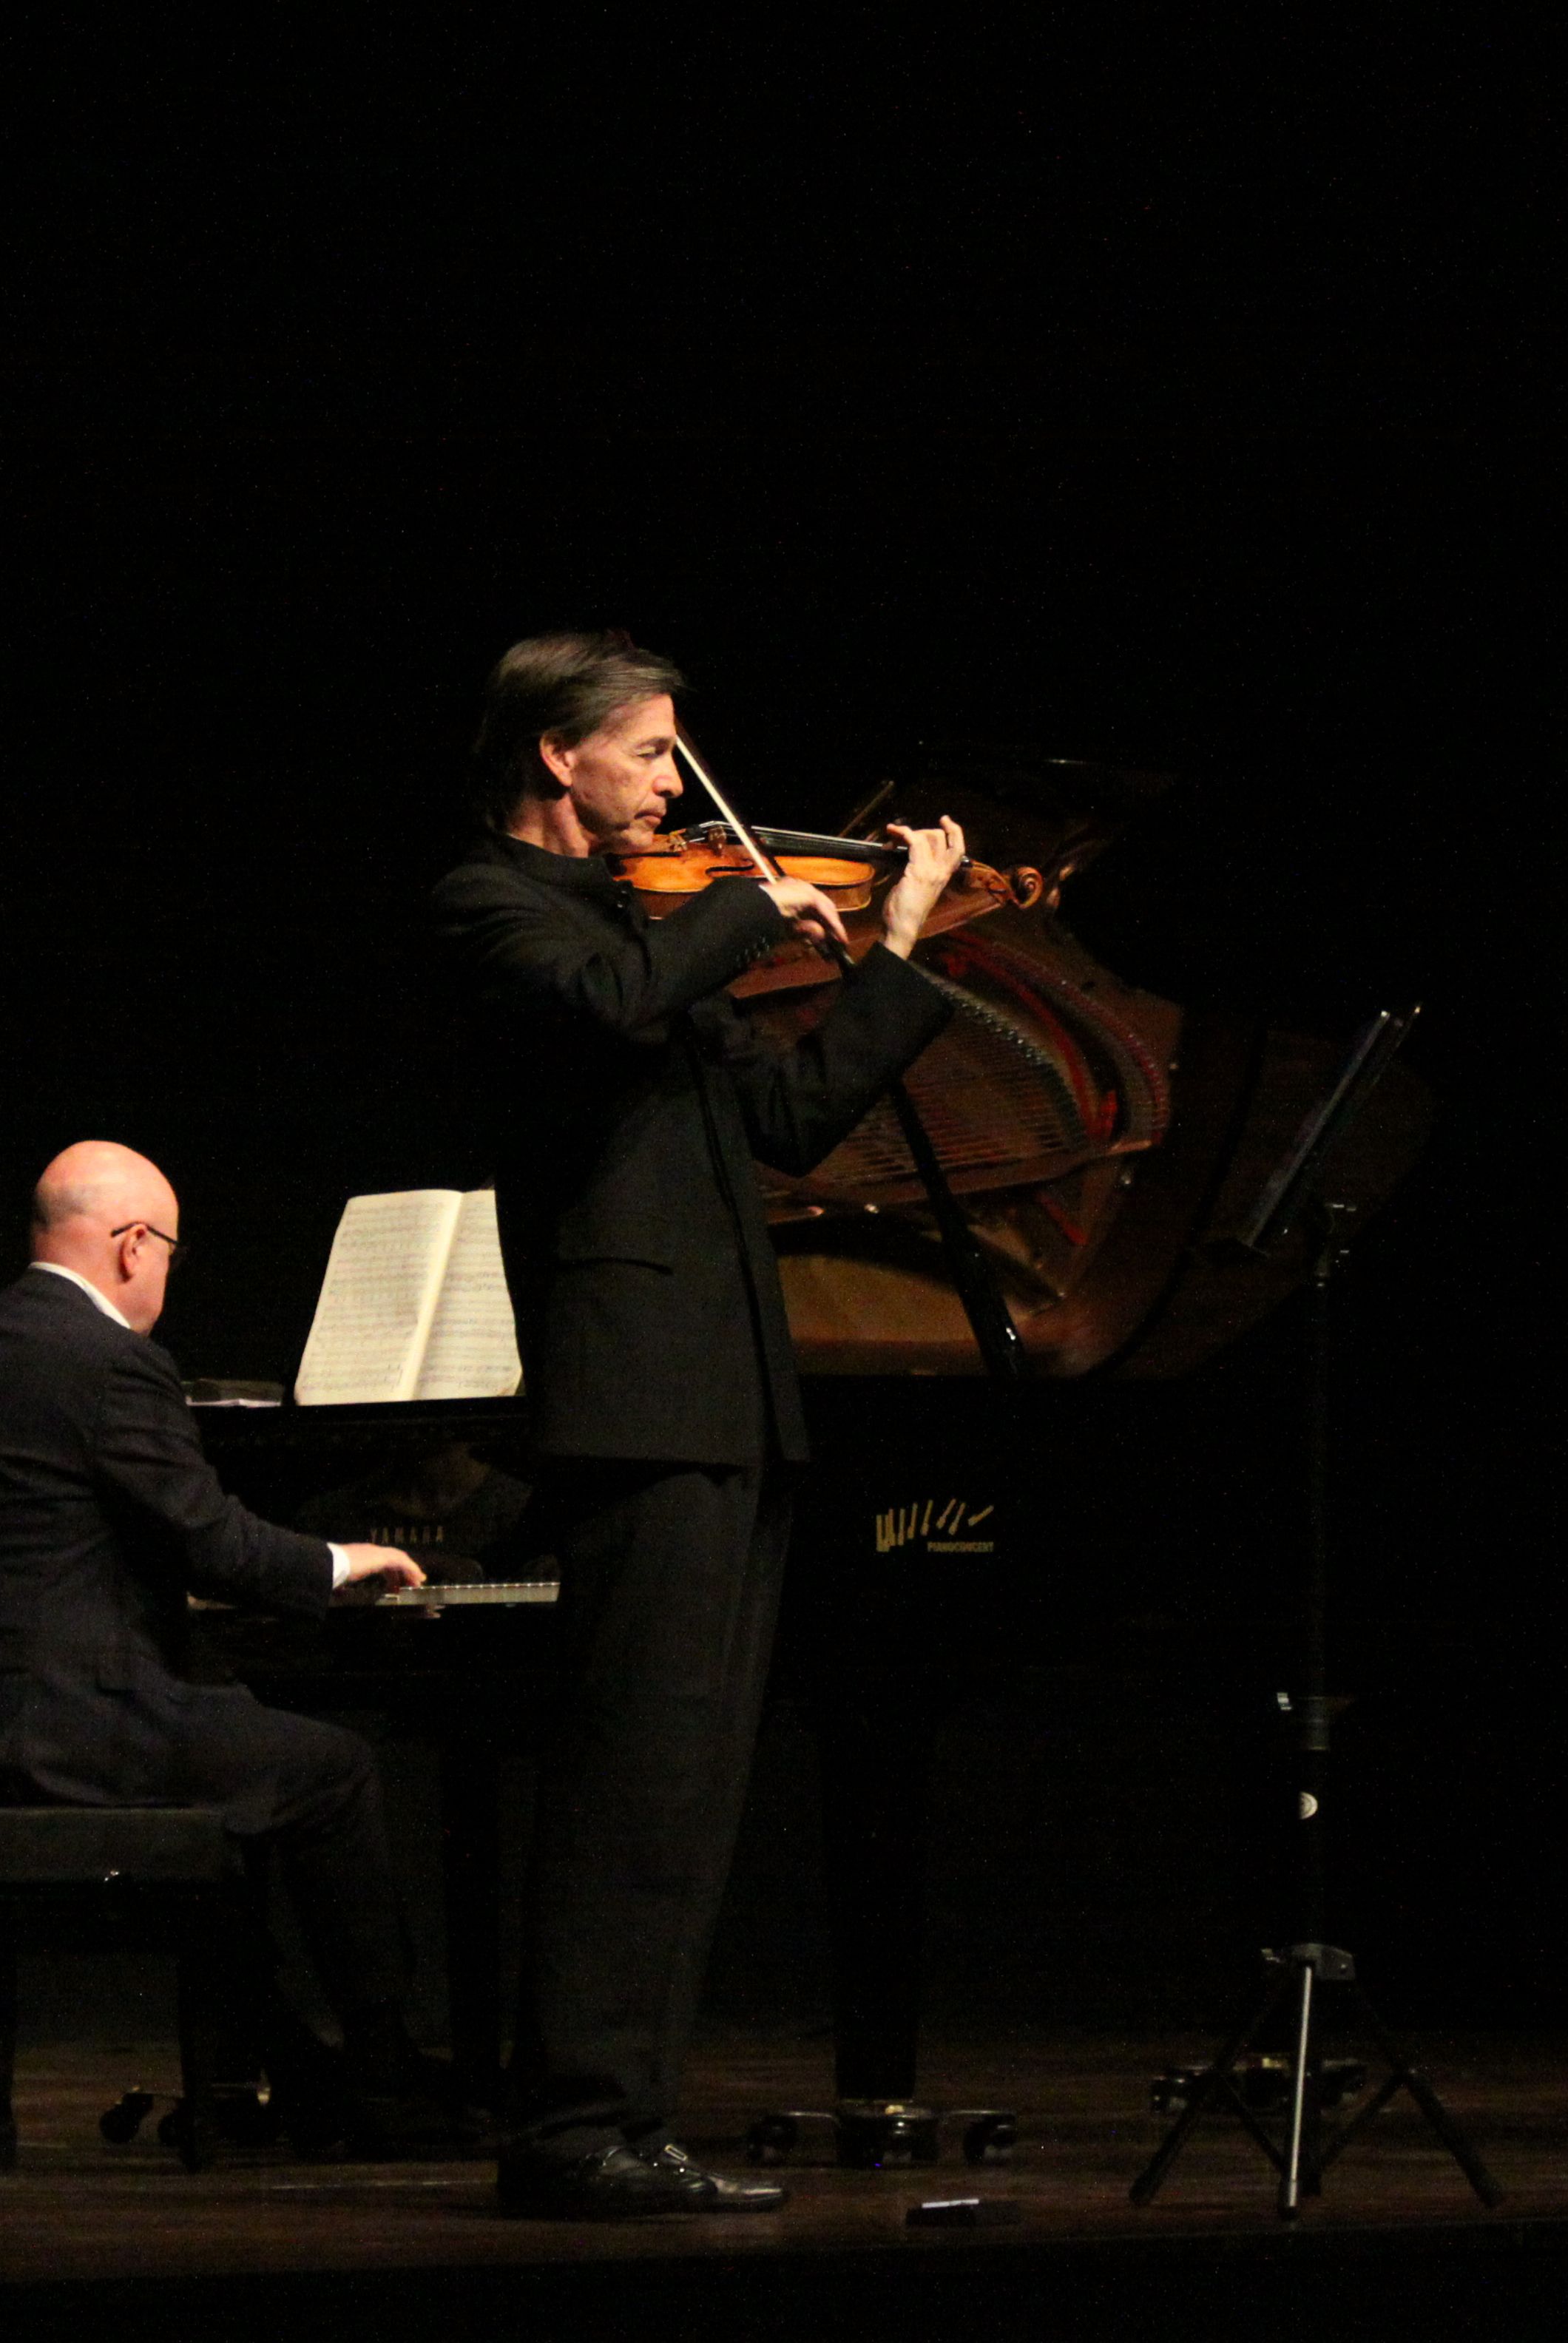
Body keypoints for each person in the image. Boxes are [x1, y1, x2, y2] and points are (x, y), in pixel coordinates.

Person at [430, 631, 961, 2218]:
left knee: (691, 1785)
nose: (678, 785)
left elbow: (794, 1120)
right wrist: (743, 907)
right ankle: (571, 2128)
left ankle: (620, 2120)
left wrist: (898, 948)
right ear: (557, 757)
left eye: (675, 757)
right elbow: (611, 1000)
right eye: (654, 754)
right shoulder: (497, 908)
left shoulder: (645, 931)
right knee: (630, 1779)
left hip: (726, 1400)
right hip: (630, 1405)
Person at [0, 1141, 445, 2139]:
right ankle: (383, 2072)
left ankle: (285, 2067)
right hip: (69, 1726)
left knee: (240, 1744)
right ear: (134, 1246)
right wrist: (340, 1562)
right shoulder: (113, 1362)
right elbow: (210, 1542)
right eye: (170, 1252)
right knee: (332, 1770)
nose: (167, 1273)